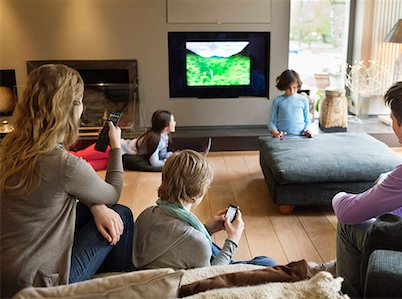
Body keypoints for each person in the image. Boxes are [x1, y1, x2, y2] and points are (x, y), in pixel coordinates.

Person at [0, 64, 134, 298]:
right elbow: (113, 192)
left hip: (6, 275)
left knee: (101, 212)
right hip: (43, 285)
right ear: (69, 110)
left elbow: (55, 194)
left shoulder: (8, 149)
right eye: (81, 100)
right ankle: (116, 286)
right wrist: (116, 147)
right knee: (121, 214)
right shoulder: (65, 165)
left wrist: (95, 205)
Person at [331, 78, 402, 298]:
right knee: (384, 203)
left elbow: (347, 211)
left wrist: (338, 196)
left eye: (393, 119)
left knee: (349, 225)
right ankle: (336, 267)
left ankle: (347, 293)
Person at [132, 149, 277, 270]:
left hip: (155, 272)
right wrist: (233, 239)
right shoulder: (196, 241)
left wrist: (206, 228)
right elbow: (207, 278)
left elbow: (175, 245)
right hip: (183, 282)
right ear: (197, 193)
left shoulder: (146, 214)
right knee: (268, 263)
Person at [72, 110, 176, 170]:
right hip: (111, 147)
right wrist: (168, 162)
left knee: (86, 167)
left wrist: (169, 156)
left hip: (117, 157)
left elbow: (161, 155)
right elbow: (154, 162)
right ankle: (56, 154)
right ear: (166, 125)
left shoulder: (163, 138)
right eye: (173, 120)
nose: (175, 122)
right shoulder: (155, 139)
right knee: (78, 156)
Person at [268, 69, 312, 139]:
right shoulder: (277, 100)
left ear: (298, 85)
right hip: (282, 137)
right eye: (288, 88)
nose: (292, 91)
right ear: (283, 86)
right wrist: (276, 133)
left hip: (301, 137)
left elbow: (307, 121)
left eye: (294, 87)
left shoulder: (303, 100)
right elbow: (271, 122)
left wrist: (307, 130)